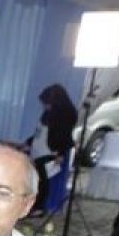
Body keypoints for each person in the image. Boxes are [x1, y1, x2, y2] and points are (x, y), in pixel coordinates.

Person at [28, 84, 77, 214]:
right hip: (39, 149)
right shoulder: (48, 113)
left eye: (46, 103)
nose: (44, 107)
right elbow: (39, 131)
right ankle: (35, 205)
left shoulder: (66, 115)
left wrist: (60, 153)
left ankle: (40, 207)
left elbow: (64, 136)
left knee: (43, 181)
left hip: (51, 151)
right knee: (37, 179)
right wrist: (28, 142)